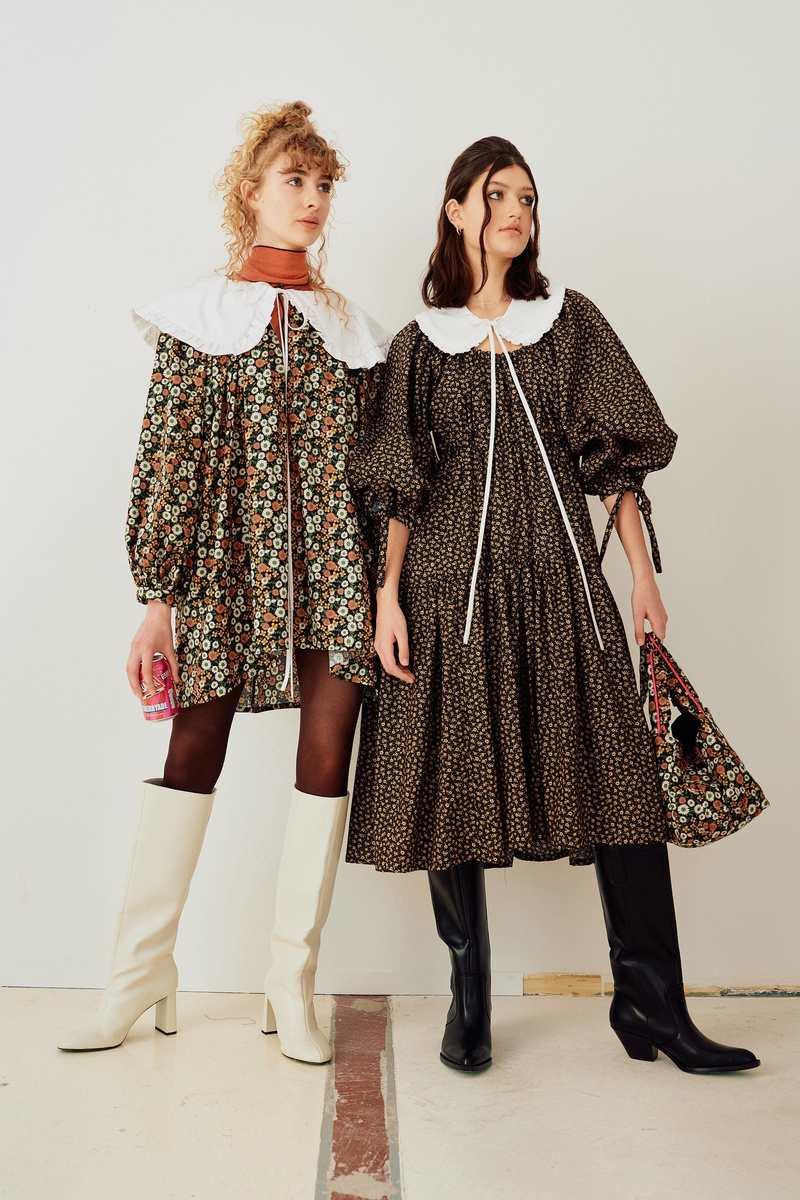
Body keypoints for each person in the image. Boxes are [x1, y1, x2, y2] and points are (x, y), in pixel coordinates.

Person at [344, 136, 760, 1075]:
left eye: (527, 198)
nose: (515, 212)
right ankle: (470, 1002)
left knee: (624, 787)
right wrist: (387, 598)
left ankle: (653, 1006)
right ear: (457, 209)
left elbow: (613, 465)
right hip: (449, 592)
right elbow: (399, 484)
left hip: (564, 581)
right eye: (497, 195)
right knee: (454, 782)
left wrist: (643, 577)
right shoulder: (419, 344)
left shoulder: (569, 323)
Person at [56, 101, 388, 1065]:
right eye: (295, 180)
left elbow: (380, 471)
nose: (313, 199)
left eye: (324, 185)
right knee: (193, 748)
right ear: (250, 192)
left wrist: (389, 591)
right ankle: (139, 974)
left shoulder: (351, 330)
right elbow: (168, 458)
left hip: (335, 569)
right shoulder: (199, 318)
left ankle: (291, 983)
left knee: (327, 754)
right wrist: (156, 601)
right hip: (221, 564)